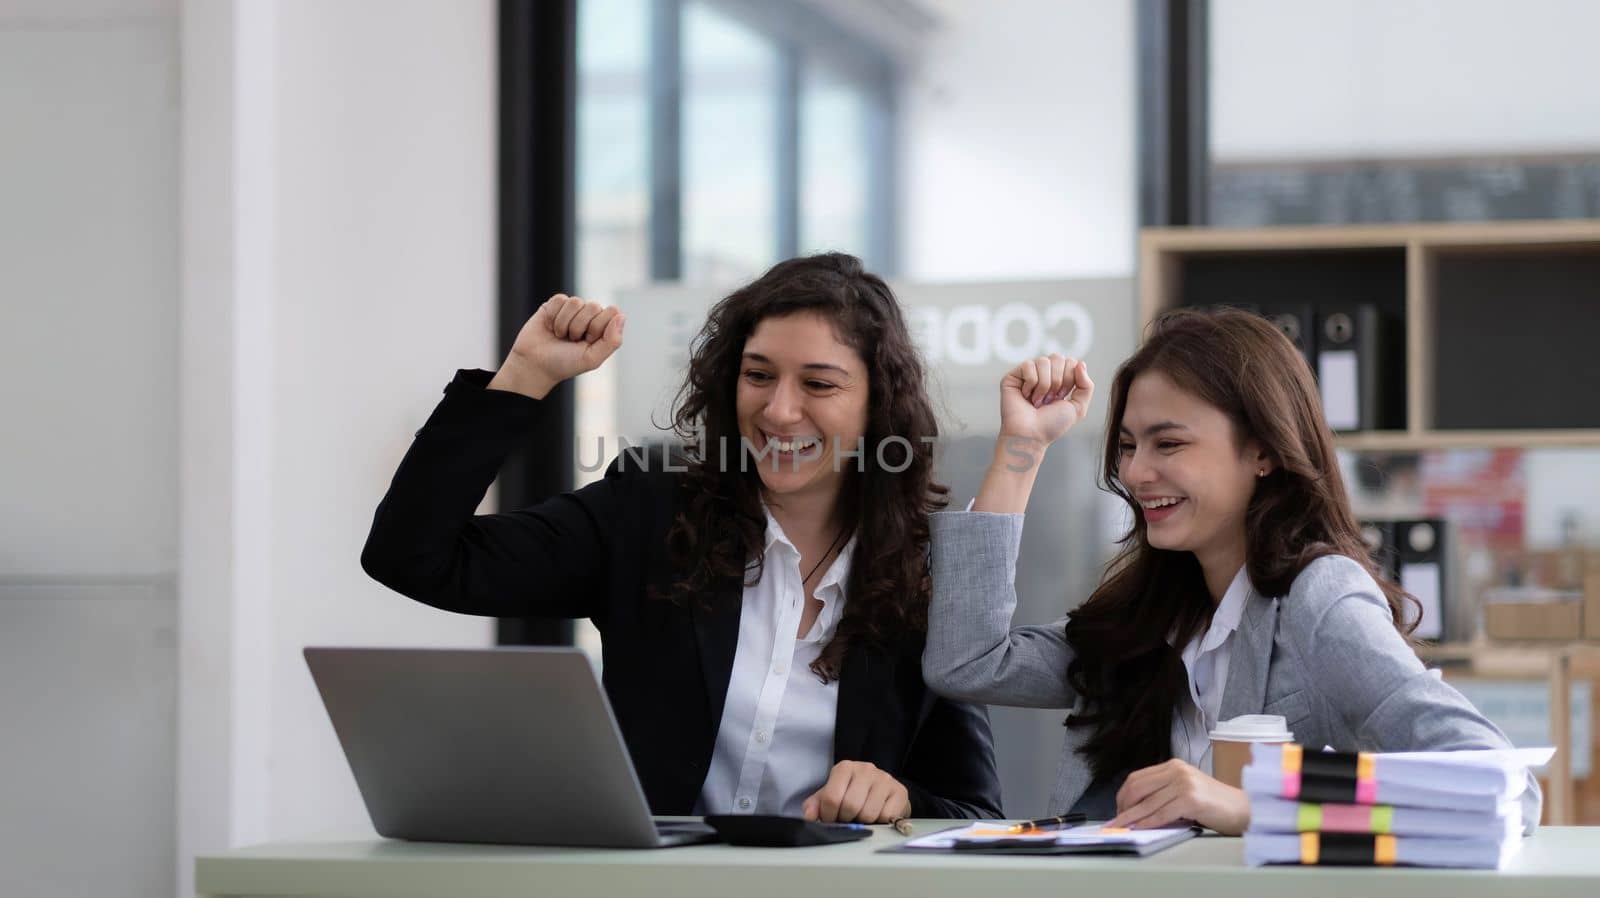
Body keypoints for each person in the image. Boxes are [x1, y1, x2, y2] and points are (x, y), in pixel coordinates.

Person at [361, 253, 1001, 823]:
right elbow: (413, 556)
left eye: (819, 383)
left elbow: (976, 808)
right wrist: (525, 374)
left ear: (877, 408)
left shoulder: (929, 572)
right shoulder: (649, 511)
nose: (780, 410)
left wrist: (900, 798)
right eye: (758, 375)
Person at [921, 307, 1539, 834]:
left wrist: (1255, 807)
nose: (1135, 473)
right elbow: (968, 661)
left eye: (1169, 444)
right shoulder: (1150, 618)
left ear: (1264, 450)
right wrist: (1022, 448)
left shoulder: (1318, 598)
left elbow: (1500, 783)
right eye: (1131, 446)